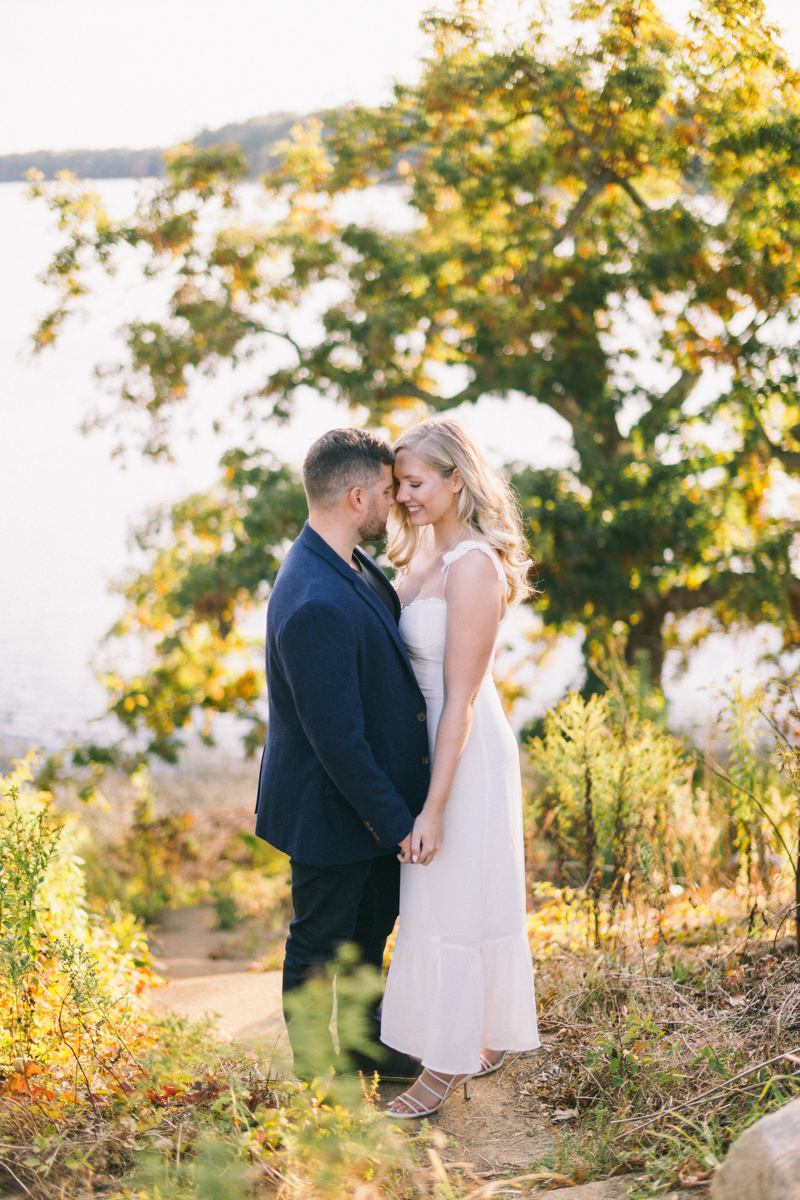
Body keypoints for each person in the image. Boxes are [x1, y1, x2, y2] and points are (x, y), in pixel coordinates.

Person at [255, 428, 429, 1080]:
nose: (396, 503)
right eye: (388, 491)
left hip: (369, 799)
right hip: (331, 808)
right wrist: (398, 824)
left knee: (368, 935)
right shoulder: (314, 600)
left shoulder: (350, 563)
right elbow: (338, 742)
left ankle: (362, 1045)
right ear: (358, 496)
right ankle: (317, 1077)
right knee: (319, 944)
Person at [380, 416, 540, 1117]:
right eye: (398, 485)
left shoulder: (473, 564)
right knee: (439, 904)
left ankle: (442, 1070)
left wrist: (434, 805)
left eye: (415, 483)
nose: (404, 497)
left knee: (448, 901)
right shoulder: (418, 561)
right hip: (431, 748)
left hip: (466, 754)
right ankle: (475, 1037)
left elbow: (464, 699)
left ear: (454, 479)